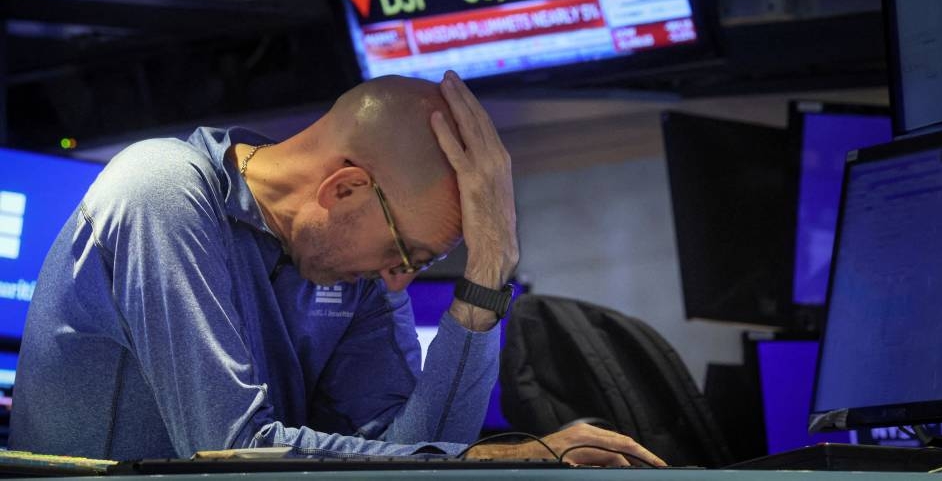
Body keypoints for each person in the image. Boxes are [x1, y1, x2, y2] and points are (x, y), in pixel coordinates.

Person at [9, 71, 664, 467]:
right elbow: (230, 455)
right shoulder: (160, 187)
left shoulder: (351, 270)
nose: (400, 281)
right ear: (343, 189)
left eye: (424, 264)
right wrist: (497, 458)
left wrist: (488, 273)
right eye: (406, 253)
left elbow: (418, 453)